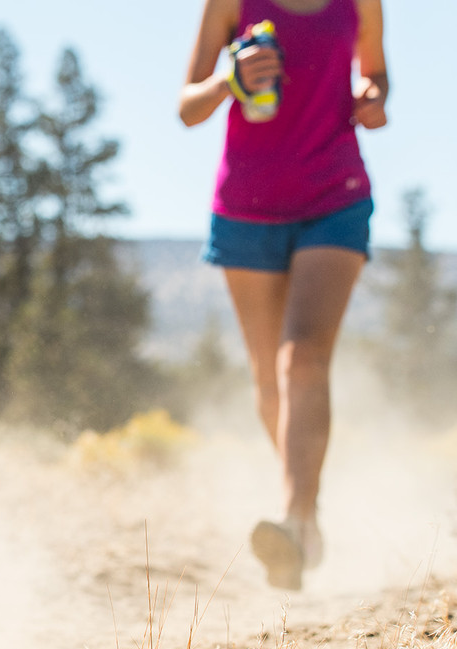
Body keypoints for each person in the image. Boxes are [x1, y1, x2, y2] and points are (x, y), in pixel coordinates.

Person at [179, 0, 388, 590]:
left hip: (335, 196)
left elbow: (376, 71)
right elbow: (187, 108)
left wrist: (372, 98)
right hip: (246, 207)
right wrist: (229, 80)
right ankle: (308, 516)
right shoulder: (231, 5)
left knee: (302, 358)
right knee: (270, 380)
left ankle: (295, 522)